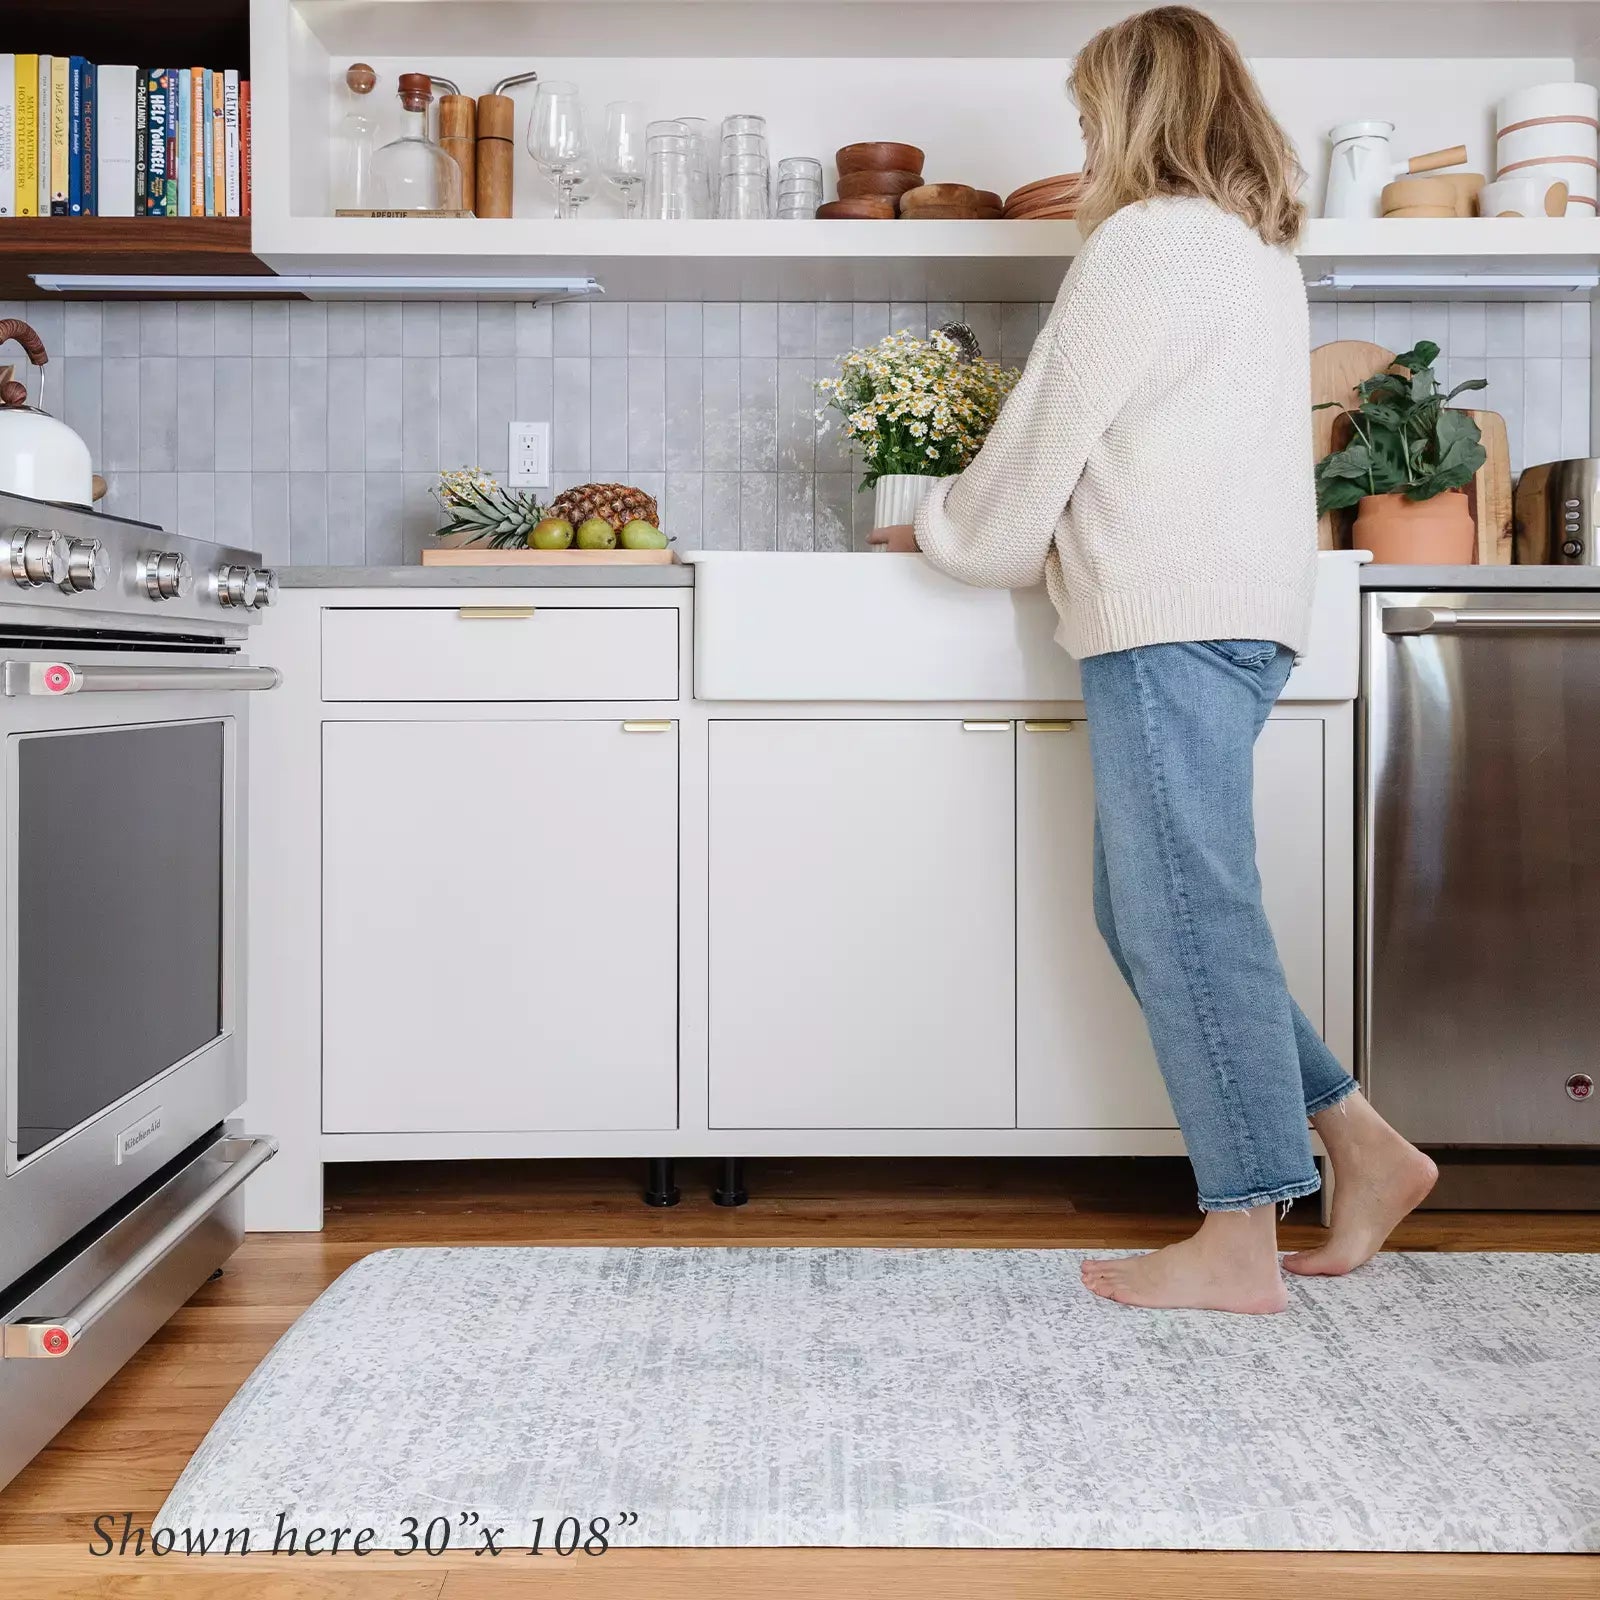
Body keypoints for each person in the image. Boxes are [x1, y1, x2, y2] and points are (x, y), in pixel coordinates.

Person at [884, 5, 1437, 1313]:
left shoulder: (1144, 242)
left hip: (1165, 618)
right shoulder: (1247, 250)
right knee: (1157, 915)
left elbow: (1045, 438)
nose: (1083, 140)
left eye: (1090, 117)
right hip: (1235, 617)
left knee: (1183, 913)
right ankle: (1364, 1146)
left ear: (1135, 112)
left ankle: (1240, 1236)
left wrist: (942, 526)